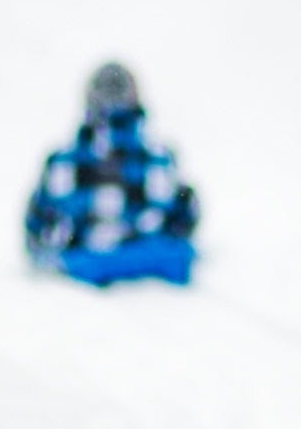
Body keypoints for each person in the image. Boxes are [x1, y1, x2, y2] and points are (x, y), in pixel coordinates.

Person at [24, 62, 200, 286]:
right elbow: (182, 217)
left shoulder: (63, 161)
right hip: (151, 263)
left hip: (88, 264)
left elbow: (39, 230)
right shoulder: (158, 157)